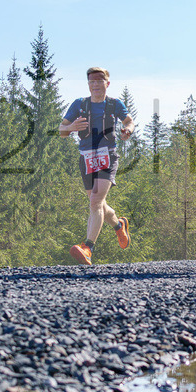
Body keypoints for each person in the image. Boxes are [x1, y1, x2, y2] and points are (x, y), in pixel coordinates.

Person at [60, 67, 135, 265]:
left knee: (95, 201)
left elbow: (129, 121)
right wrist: (70, 127)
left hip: (107, 156)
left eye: (99, 81)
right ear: (88, 85)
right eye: (91, 82)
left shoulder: (114, 104)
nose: (95, 85)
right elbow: (61, 129)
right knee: (98, 203)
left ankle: (88, 248)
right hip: (86, 158)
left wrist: (127, 129)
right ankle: (119, 225)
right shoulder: (80, 104)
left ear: (107, 84)